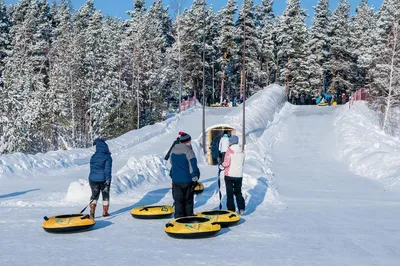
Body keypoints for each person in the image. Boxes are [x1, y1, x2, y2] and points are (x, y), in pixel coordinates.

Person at [170, 133, 200, 218]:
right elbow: (193, 166)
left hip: (176, 180)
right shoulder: (189, 151)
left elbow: (172, 164)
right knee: (188, 200)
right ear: (187, 141)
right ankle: (188, 218)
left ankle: (179, 219)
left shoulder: (172, 151)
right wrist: (195, 178)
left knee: (178, 201)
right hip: (187, 180)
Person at [88, 139, 113, 218]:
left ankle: (92, 212)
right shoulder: (107, 157)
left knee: (94, 195)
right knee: (105, 194)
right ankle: (105, 212)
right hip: (103, 179)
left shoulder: (93, 156)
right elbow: (107, 170)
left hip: (92, 179)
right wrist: (108, 179)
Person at [222, 135, 245, 214]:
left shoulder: (229, 151)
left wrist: (221, 165)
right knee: (238, 192)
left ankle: (231, 210)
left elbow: (226, 163)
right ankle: (241, 208)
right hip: (239, 175)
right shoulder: (242, 151)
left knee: (230, 193)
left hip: (229, 175)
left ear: (231, 142)